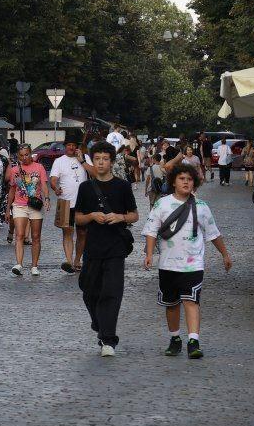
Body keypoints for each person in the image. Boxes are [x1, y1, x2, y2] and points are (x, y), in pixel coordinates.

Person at [143, 163, 233, 359]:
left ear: (195, 183)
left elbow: (213, 234)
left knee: (191, 301)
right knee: (171, 303)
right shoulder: (162, 204)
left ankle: (194, 341)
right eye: (182, 179)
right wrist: (149, 254)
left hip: (193, 264)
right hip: (167, 264)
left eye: (190, 179)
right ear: (173, 182)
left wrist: (225, 254)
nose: (186, 182)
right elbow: (150, 230)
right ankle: (175, 338)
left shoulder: (202, 208)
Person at [74, 142, 139, 357]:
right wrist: (92, 216)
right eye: (98, 158)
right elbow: (78, 218)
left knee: (111, 293)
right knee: (89, 290)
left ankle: (108, 339)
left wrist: (120, 217)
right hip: (92, 247)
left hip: (115, 248)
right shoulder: (85, 187)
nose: (101, 162)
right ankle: (99, 323)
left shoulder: (122, 186)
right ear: (93, 160)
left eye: (105, 159)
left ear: (111, 161)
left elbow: (134, 215)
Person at [7, 144, 48, 277]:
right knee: (19, 235)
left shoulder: (39, 167)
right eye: (22, 155)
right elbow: (12, 189)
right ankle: (19, 264)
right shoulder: (14, 170)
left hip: (35, 205)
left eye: (27, 154)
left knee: (36, 237)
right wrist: (8, 208)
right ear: (18, 156)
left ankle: (34, 266)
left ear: (31, 154)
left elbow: (44, 184)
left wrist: (47, 198)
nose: (24, 158)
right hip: (19, 205)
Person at [50, 139, 88, 273]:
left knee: (82, 233)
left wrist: (82, 159)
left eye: (74, 145)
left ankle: (78, 259)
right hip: (66, 202)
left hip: (84, 203)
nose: (71, 147)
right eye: (69, 145)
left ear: (77, 147)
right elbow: (53, 180)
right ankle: (69, 261)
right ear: (65, 147)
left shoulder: (84, 158)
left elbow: (93, 173)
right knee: (68, 232)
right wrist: (55, 188)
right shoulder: (59, 161)